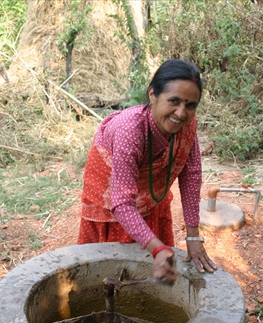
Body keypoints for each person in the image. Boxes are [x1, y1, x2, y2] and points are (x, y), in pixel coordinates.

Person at [77, 59, 217, 283]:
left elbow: (191, 173)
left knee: (146, 274)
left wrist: (193, 237)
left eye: (190, 105)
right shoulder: (130, 131)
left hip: (151, 194)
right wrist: (157, 250)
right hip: (110, 195)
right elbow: (121, 203)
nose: (181, 113)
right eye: (174, 101)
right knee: (108, 271)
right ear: (152, 94)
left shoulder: (187, 124)